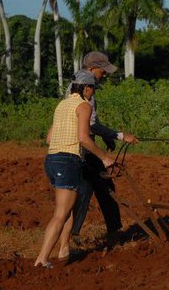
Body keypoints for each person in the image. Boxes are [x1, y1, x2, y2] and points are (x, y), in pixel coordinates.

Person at [35, 71, 115, 268]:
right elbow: (83, 138)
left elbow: (48, 138)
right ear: (86, 88)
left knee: (68, 208)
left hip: (51, 160)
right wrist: (105, 158)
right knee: (61, 213)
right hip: (68, 160)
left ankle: (64, 251)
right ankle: (42, 259)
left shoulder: (61, 105)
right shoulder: (84, 105)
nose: (93, 93)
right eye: (93, 89)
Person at [70, 51, 138, 251]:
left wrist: (108, 136)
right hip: (84, 149)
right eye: (102, 71)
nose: (105, 75)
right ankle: (112, 232)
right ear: (91, 70)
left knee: (88, 189)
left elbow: (92, 124)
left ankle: (76, 233)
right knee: (100, 188)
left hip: (80, 148)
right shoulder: (85, 91)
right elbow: (90, 127)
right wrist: (119, 135)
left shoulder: (78, 86)